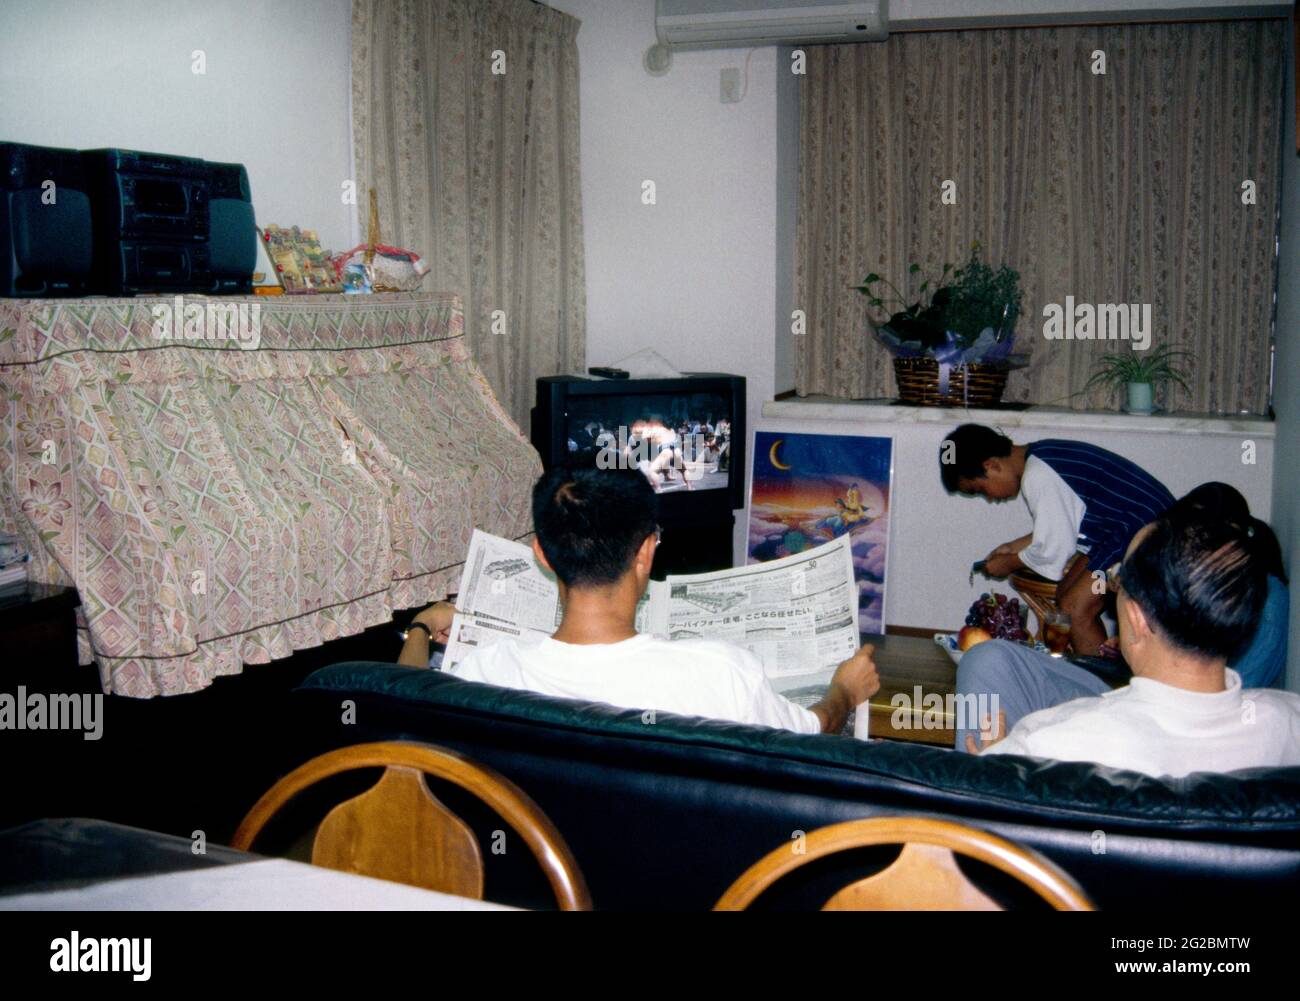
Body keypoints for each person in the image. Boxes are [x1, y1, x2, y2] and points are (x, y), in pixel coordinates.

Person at [398, 467, 879, 734]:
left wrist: (420, 626)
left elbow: (398, 702)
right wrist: (845, 690)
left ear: (541, 554)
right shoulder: (721, 674)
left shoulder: (486, 673)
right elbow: (814, 730)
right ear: (646, 552)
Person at [965, 503, 1300, 777]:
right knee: (992, 657)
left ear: (1137, 618)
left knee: (983, 673)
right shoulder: (1289, 722)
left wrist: (989, 772)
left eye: (1119, 578)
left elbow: (974, 823)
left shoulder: (1040, 747)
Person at [940, 425, 1174, 654]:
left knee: (1075, 608)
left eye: (980, 489)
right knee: (1065, 598)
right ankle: (1091, 665)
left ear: (991, 465)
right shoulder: (1042, 457)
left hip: (1143, 532)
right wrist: (1013, 547)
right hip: (1124, 530)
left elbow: (1054, 549)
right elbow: (1063, 524)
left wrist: (1009, 563)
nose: (989, 498)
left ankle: (1098, 678)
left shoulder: (1038, 476)